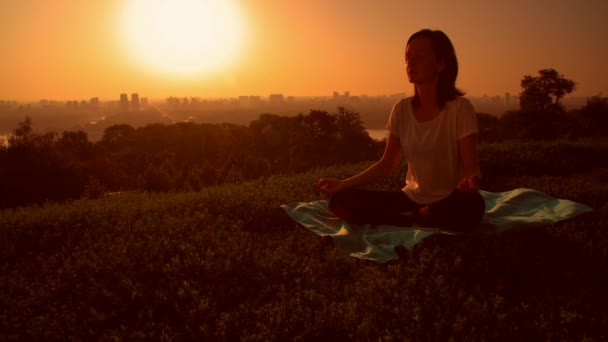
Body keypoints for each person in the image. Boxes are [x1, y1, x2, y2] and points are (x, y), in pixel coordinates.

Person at [315, 29, 485, 232]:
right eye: (407, 58)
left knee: (474, 204)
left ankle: (405, 219)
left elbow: (470, 166)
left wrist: (470, 182)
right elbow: (386, 165)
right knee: (340, 200)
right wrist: (343, 184)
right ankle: (415, 218)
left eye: (419, 57)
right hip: (410, 198)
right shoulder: (401, 109)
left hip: (449, 200)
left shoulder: (460, 108)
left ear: (441, 64)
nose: (410, 63)